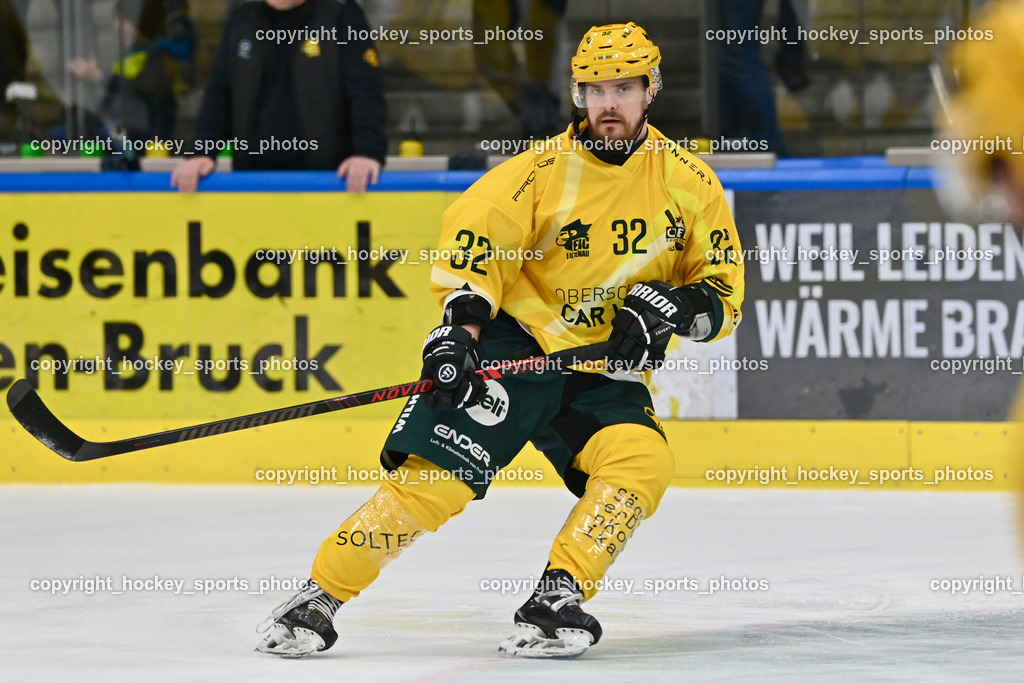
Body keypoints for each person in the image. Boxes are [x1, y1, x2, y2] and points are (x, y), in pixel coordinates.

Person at [254, 21, 745, 659]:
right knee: (438, 479)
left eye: (623, 87)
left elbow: (724, 295)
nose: (608, 104)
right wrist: (457, 339)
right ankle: (317, 596)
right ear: (577, 95)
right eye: (594, 90)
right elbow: (474, 252)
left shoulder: (689, 182)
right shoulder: (539, 173)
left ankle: (558, 595)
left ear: (651, 91)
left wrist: (673, 309)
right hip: (519, 346)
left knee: (642, 462)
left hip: (602, 366)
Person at [170, 0, 386, 193]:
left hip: (326, 187)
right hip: (253, 188)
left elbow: (366, 92)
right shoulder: (242, 21)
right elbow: (219, 97)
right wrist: (202, 153)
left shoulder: (341, 15)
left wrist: (367, 153)